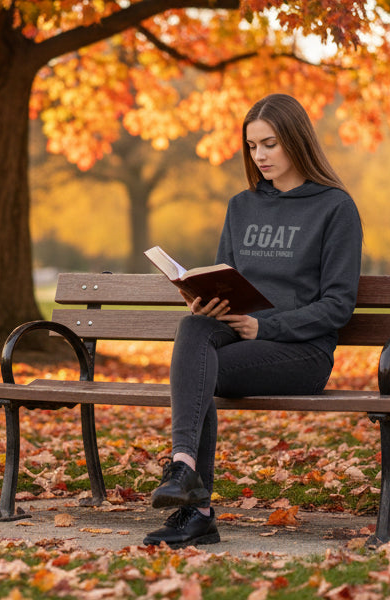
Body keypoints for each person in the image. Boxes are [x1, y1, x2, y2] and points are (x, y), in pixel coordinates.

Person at [143, 93, 363, 548]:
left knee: (197, 372)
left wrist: (268, 327)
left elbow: (339, 305)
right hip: (241, 341)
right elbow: (227, 279)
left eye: (270, 144)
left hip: (303, 352)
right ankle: (184, 468)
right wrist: (206, 302)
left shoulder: (335, 208)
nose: (260, 156)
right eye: (252, 146)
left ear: (297, 141)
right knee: (193, 328)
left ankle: (196, 508)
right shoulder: (241, 206)